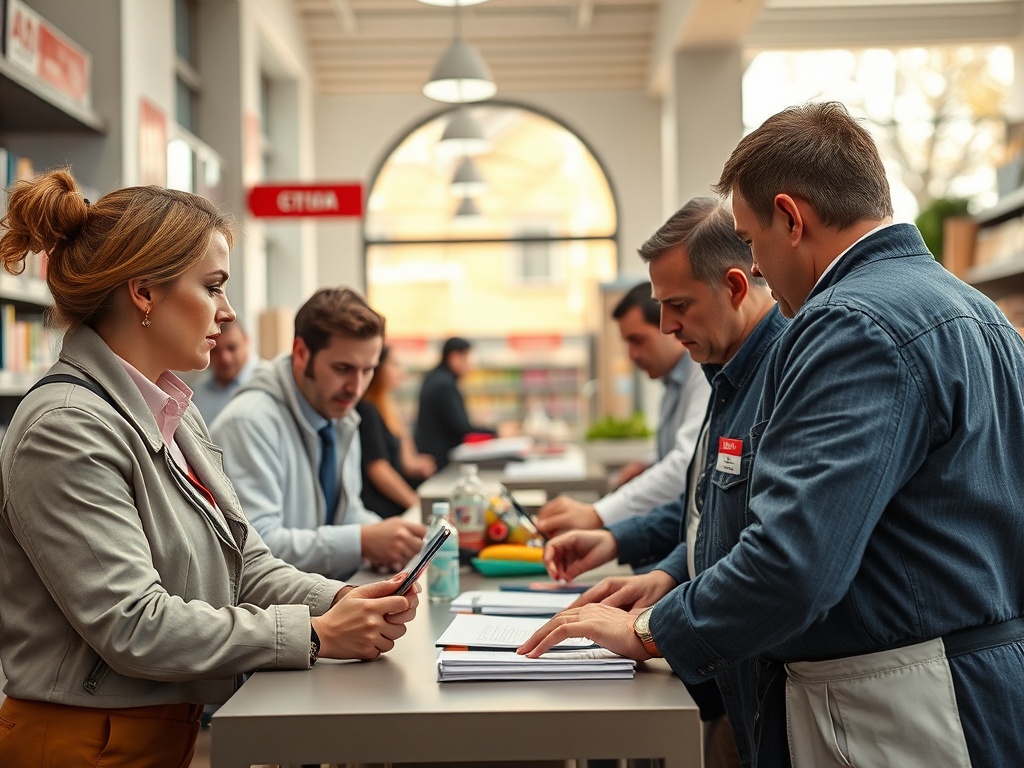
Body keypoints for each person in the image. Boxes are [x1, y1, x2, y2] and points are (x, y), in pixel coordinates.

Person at [523, 102, 1024, 768]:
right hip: (971, 686)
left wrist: (647, 630)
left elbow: (793, 564)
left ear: (791, 218)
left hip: (896, 706)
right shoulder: (980, 313)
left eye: (752, 240)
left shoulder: (849, 322)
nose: (756, 268)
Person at [0, 170, 419, 768]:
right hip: (81, 744)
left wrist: (345, 599)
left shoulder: (174, 411)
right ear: (144, 293)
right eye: (214, 287)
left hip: (152, 732)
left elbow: (244, 565)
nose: (227, 312)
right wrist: (314, 634)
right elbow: (133, 624)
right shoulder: (66, 427)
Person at [540, 198, 785, 768]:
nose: (667, 326)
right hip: (733, 670)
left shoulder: (783, 372)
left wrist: (649, 631)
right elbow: (716, 509)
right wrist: (668, 571)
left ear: (734, 286)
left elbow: (777, 554)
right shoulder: (725, 372)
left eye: (678, 305)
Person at [212, 288, 427, 579]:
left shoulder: (340, 413)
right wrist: (362, 542)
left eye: (368, 370)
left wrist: (391, 539)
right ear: (301, 353)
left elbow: (346, 515)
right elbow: (256, 547)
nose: (356, 388)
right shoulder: (248, 422)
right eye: (343, 368)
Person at [536, 283, 711, 537]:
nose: (632, 355)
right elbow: (683, 448)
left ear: (669, 328)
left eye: (637, 340)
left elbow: (688, 463)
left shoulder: (702, 375)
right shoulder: (673, 383)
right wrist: (647, 464)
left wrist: (598, 513)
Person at [357, 344, 437, 518]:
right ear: (377, 368)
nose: (401, 372)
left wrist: (419, 465)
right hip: (380, 512)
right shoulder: (367, 410)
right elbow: (378, 468)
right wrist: (415, 503)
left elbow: (405, 461)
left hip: (392, 506)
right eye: (394, 365)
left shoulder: (388, 406)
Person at [414, 336, 495, 470]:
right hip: (442, 461)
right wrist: (496, 432)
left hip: (432, 456)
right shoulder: (445, 384)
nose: (470, 366)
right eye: (467, 359)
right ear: (455, 357)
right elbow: (461, 428)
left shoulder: (434, 378)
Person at [189, 319, 260, 423]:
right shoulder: (195, 394)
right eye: (215, 351)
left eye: (232, 348)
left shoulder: (267, 382)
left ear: (247, 341)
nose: (224, 358)